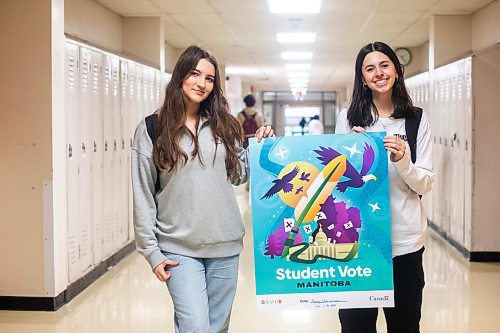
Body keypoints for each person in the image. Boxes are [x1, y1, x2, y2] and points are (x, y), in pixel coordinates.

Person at [131, 45, 274, 333]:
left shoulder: (226, 126)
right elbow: (143, 193)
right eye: (195, 74)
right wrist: (151, 252)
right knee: (195, 326)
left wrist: (260, 147)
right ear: (180, 76)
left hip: (225, 244)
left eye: (209, 78)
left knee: (217, 328)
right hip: (178, 248)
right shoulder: (152, 129)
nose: (201, 84)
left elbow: (240, 176)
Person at [335, 41, 434, 333]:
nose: (378, 73)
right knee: (356, 326)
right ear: (362, 78)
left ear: (396, 70)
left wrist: (404, 159)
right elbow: (339, 185)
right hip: (359, 242)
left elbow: (426, 183)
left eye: (384, 65)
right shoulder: (348, 118)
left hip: (405, 243)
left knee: (404, 326)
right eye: (370, 68)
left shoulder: (416, 119)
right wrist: (353, 158)